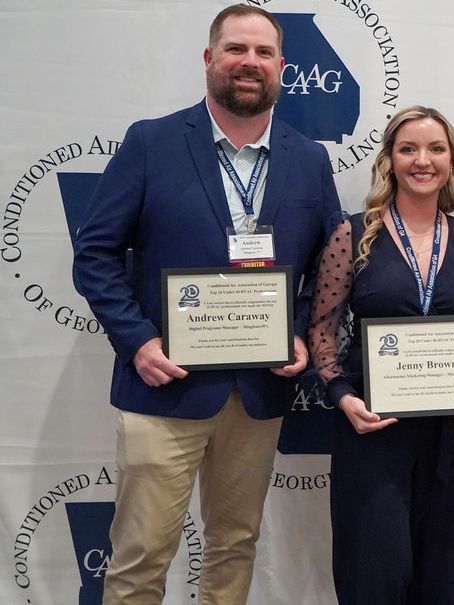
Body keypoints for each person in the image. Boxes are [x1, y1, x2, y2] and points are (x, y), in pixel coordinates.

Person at [73, 5, 340, 603]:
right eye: (236, 49)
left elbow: (330, 266)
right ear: (209, 59)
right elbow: (95, 254)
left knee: (235, 543)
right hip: (164, 386)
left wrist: (298, 330)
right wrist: (138, 342)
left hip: (257, 391)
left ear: (282, 68)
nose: (250, 63)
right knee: (142, 555)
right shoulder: (152, 141)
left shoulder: (310, 158)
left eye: (264, 53)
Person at [308, 105, 454, 605]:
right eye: (409, 149)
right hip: (373, 427)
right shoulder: (352, 234)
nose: (423, 160)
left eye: (436, 149)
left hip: (447, 430)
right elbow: (321, 331)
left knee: (433, 567)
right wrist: (342, 397)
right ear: (389, 160)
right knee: (374, 567)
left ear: (451, 160)